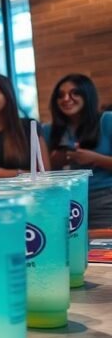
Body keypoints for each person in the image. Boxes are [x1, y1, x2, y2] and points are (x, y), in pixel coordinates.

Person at [46, 73, 112, 228]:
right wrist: (56, 161)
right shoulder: (49, 130)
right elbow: (44, 172)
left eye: (75, 93)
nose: (66, 99)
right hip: (64, 201)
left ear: (87, 95)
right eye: (60, 95)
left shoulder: (107, 120)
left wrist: (95, 159)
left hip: (104, 198)